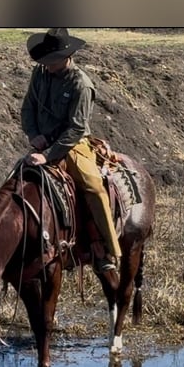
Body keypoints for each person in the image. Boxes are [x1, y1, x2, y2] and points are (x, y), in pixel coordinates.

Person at [20, 28, 121, 273]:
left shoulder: (81, 84)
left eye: (53, 60)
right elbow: (27, 108)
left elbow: (76, 128)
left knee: (93, 187)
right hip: (42, 143)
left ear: (67, 57)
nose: (49, 64)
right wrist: (34, 135)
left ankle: (109, 249)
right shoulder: (39, 75)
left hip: (73, 145)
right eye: (46, 60)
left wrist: (48, 154)